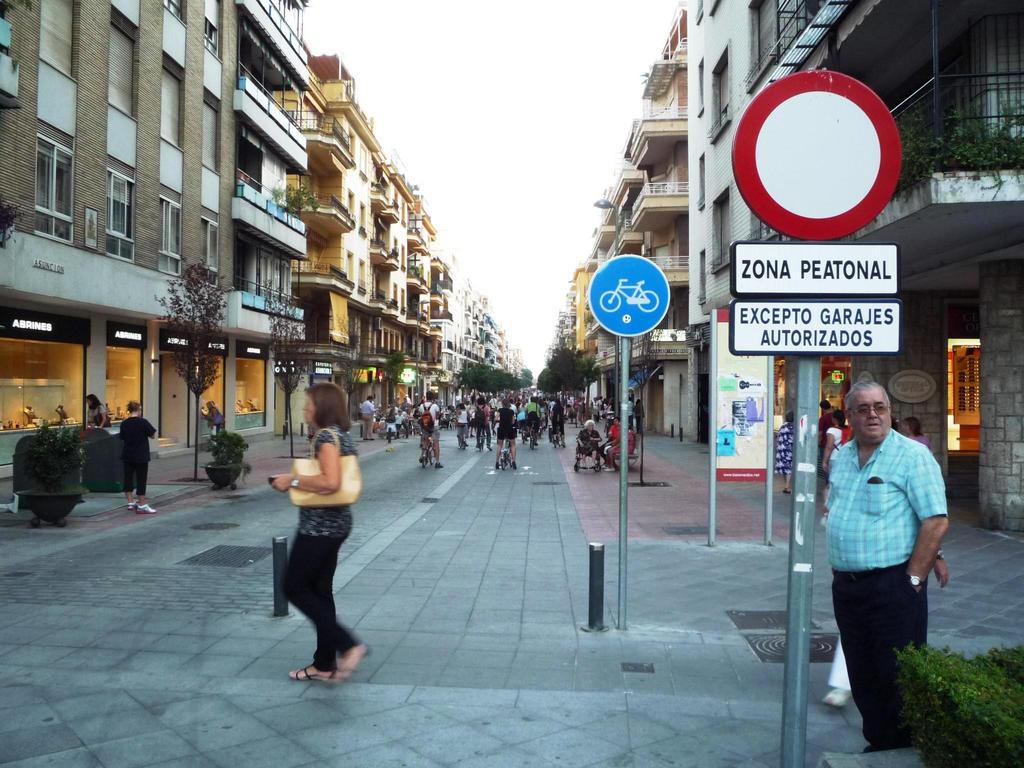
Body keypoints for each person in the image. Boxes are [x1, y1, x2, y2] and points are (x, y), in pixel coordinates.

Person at [826, 381, 949, 752]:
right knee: (862, 672)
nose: (872, 415)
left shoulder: (912, 457)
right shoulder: (843, 457)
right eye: (862, 409)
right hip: (847, 586)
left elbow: (935, 520)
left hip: (893, 585)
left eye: (879, 407)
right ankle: (877, 742)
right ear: (850, 416)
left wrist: (915, 576)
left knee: (895, 674)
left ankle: (899, 748)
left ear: (890, 411)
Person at [271, 382, 368, 683]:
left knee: (293, 587)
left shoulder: (326, 436)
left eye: (309, 404)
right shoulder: (344, 436)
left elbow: (330, 482)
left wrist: (293, 480)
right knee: (320, 592)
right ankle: (324, 664)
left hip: (319, 527)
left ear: (322, 406)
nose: (305, 408)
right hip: (337, 523)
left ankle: (348, 645)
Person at [118, 401, 157, 514]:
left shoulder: (124, 423)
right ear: (138, 410)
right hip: (141, 455)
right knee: (141, 479)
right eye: (140, 409)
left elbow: (122, 437)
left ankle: (130, 503)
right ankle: (142, 504)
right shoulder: (143, 422)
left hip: (128, 454)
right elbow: (153, 435)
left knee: (128, 478)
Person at [418, 391, 443, 468]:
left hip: (425, 427)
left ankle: (423, 455)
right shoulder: (435, 406)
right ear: (433, 398)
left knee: (425, 441)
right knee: (436, 443)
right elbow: (438, 416)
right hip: (434, 427)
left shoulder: (421, 406)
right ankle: (437, 462)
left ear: (426, 397)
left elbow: (420, 415)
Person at [821, 409, 847, 479]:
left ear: (834, 419)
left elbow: (829, 447)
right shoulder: (847, 430)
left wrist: (824, 461)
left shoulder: (832, 430)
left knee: (832, 481)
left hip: (834, 458)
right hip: (845, 458)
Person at [775, 411, 794, 494]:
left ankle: (786, 485)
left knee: (784, 468)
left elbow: (778, 436)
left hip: (781, 449)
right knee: (789, 468)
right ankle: (787, 487)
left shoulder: (783, 426)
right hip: (789, 450)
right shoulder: (794, 427)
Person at [495, 397, 517, 470]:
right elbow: (513, 421)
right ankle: (513, 461)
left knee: (500, 445)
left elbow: (495, 418)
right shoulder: (511, 412)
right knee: (513, 445)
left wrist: (499, 420)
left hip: (501, 429)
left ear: (502, 404)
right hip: (509, 429)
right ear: (508, 404)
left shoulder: (500, 410)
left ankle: (497, 462)